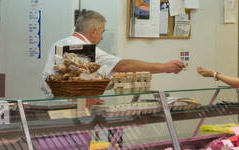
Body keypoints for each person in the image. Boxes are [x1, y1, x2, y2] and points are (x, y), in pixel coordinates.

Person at [40, 10, 184, 96]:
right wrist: (166, 67)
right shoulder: (83, 47)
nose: (102, 38)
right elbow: (124, 65)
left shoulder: (58, 43)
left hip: (51, 104)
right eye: (102, 32)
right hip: (69, 109)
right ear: (93, 31)